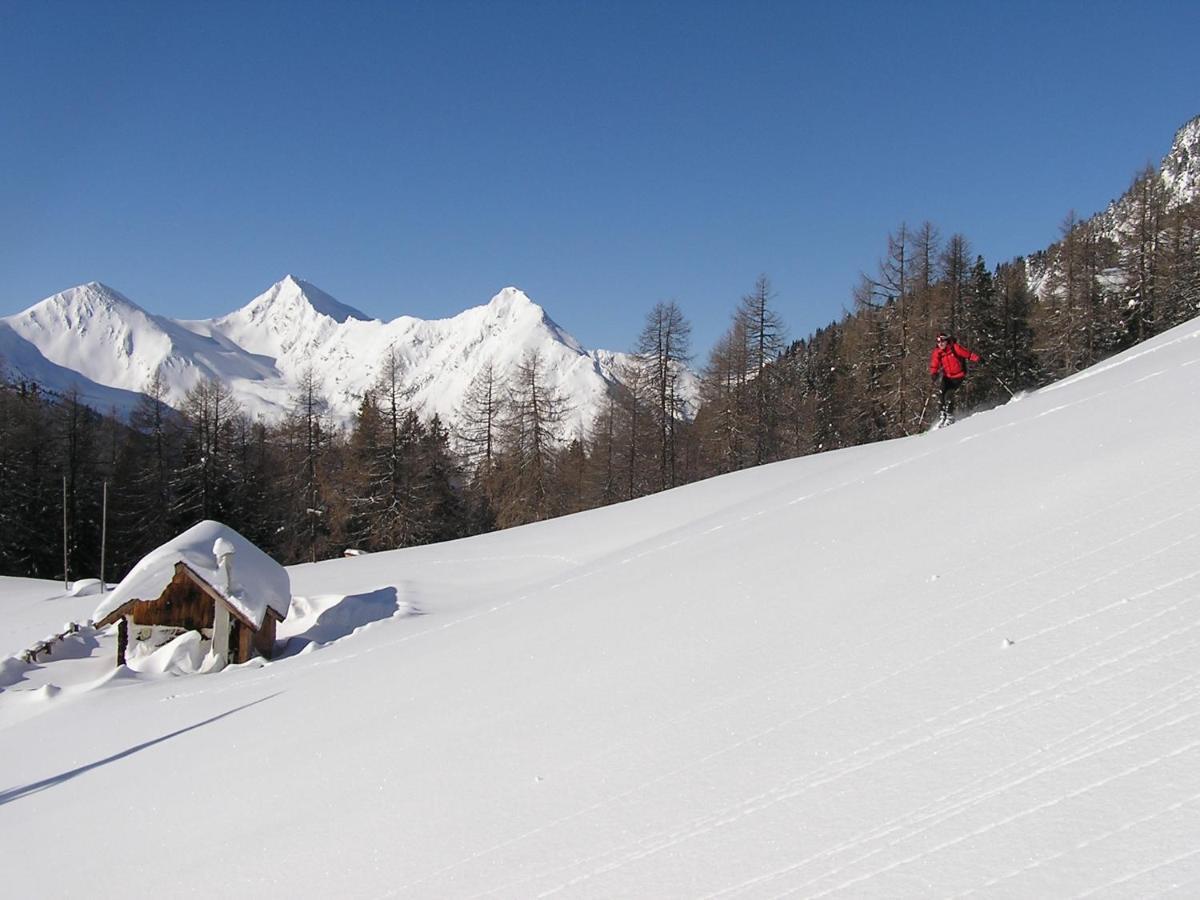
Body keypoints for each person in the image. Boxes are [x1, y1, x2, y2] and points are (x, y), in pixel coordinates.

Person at [929, 332, 980, 425]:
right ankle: (942, 415)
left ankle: (950, 416)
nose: (940, 344)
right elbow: (934, 364)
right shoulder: (938, 352)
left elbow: (967, 354)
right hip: (947, 376)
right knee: (941, 393)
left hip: (958, 376)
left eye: (942, 341)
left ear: (947, 341)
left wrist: (977, 359)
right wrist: (934, 373)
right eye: (938, 342)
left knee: (949, 395)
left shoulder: (955, 348)